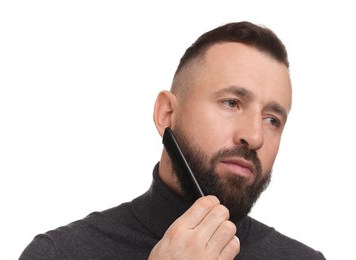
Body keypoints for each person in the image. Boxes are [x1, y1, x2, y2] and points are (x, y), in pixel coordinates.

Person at [19, 21, 326, 259]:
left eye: (272, 119)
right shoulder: (59, 254)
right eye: (231, 103)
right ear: (166, 114)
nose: (255, 136)